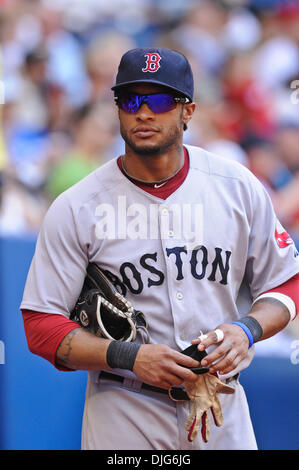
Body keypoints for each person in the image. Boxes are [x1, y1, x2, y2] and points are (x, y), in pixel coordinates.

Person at [20, 47, 299, 451]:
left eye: (162, 100)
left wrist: (246, 330)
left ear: (188, 111)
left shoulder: (236, 187)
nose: (144, 112)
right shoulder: (77, 206)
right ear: (117, 109)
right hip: (124, 407)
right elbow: (40, 324)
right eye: (131, 100)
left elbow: (288, 282)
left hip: (221, 403)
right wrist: (127, 356)